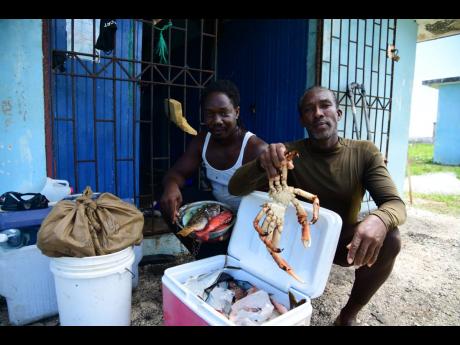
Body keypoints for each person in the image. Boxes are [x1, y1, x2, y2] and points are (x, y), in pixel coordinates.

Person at [228, 86, 406, 326]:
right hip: (294, 245)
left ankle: (348, 315)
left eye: (325, 106)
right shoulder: (288, 155)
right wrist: (261, 163)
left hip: (342, 244)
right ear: (302, 120)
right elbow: (235, 188)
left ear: (338, 113)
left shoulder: (364, 153)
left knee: (391, 238)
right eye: (309, 110)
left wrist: (381, 219)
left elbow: (395, 203)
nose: (318, 113)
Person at [160, 80, 267, 259]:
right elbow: (177, 173)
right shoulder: (203, 141)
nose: (217, 121)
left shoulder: (255, 148)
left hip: (250, 222)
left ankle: (230, 254)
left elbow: (268, 204)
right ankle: (205, 255)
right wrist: (171, 187)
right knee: (166, 200)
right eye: (210, 114)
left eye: (224, 113)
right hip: (217, 211)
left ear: (237, 112)